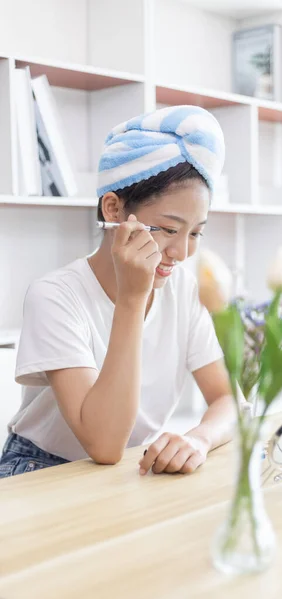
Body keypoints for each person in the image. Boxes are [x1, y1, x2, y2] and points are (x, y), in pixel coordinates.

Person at [0, 105, 236, 479]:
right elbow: (104, 444)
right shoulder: (54, 296)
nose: (182, 253)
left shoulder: (184, 291)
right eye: (167, 229)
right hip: (40, 470)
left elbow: (228, 400)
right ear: (112, 210)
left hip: (128, 468)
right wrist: (131, 298)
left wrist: (199, 440)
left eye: (196, 233)